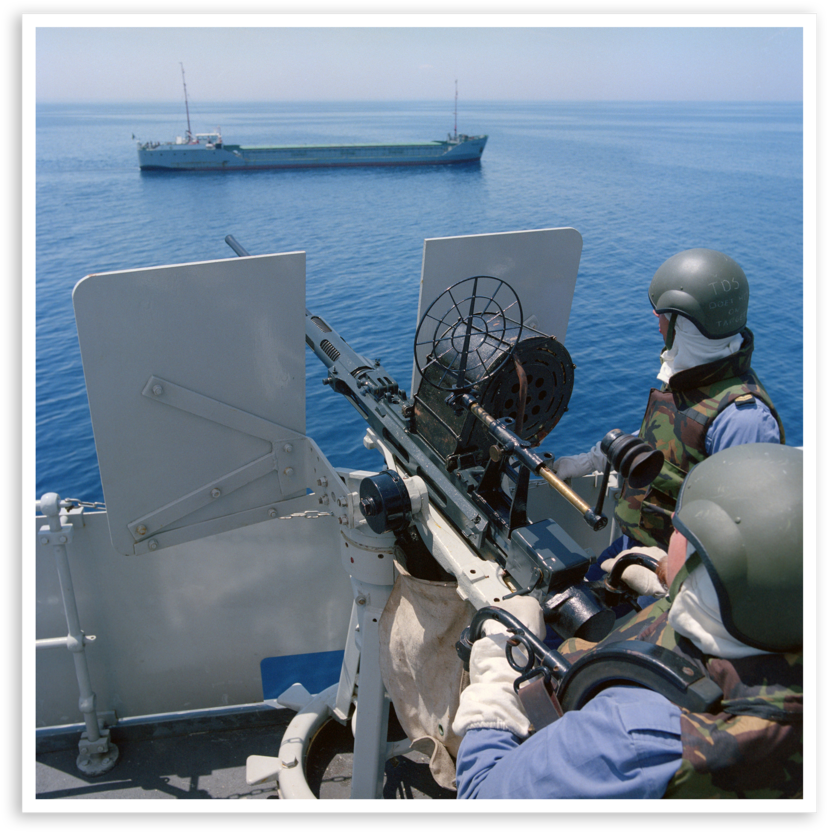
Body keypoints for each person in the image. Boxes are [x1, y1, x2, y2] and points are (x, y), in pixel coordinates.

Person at [452, 443, 803, 799]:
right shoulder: (771, 620)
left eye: (684, 530)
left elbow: (481, 795)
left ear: (716, 567)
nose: (672, 531)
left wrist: (496, 684)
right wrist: (674, 582)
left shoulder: (630, 738)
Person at [553, 249, 784, 569]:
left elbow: (741, 533)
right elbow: (663, 440)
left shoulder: (743, 420)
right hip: (636, 548)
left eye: (666, 313)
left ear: (687, 326)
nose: (656, 318)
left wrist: (666, 572)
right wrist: (588, 460)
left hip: (679, 573)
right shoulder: (693, 380)